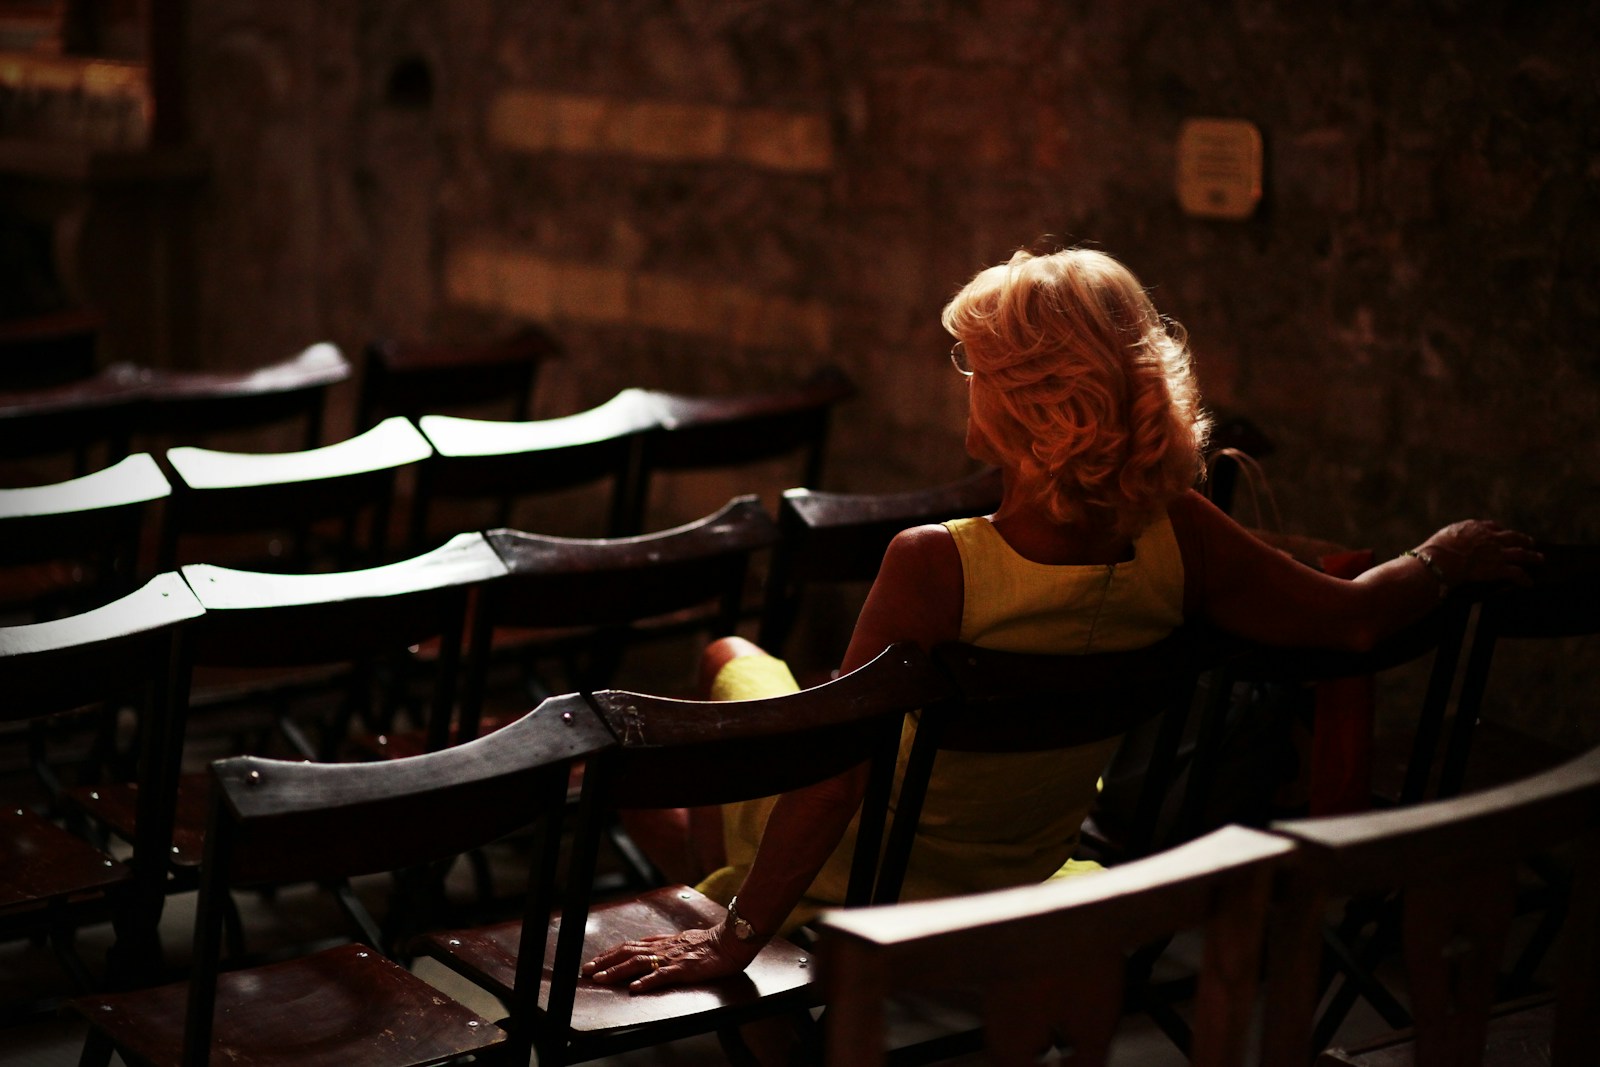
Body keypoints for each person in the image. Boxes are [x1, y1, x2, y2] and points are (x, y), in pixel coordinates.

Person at [582, 245, 1540, 996]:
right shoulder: (1182, 535)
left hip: (867, 867)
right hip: (1016, 861)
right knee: (732, 718)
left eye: (980, 366)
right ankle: (710, 882)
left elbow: (834, 777)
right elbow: (1357, 621)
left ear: (1036, 401)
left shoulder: (936, 561)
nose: (965, 382)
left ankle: (715, 911)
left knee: (722, 666)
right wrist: (1441, 555)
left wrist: (739, 937)